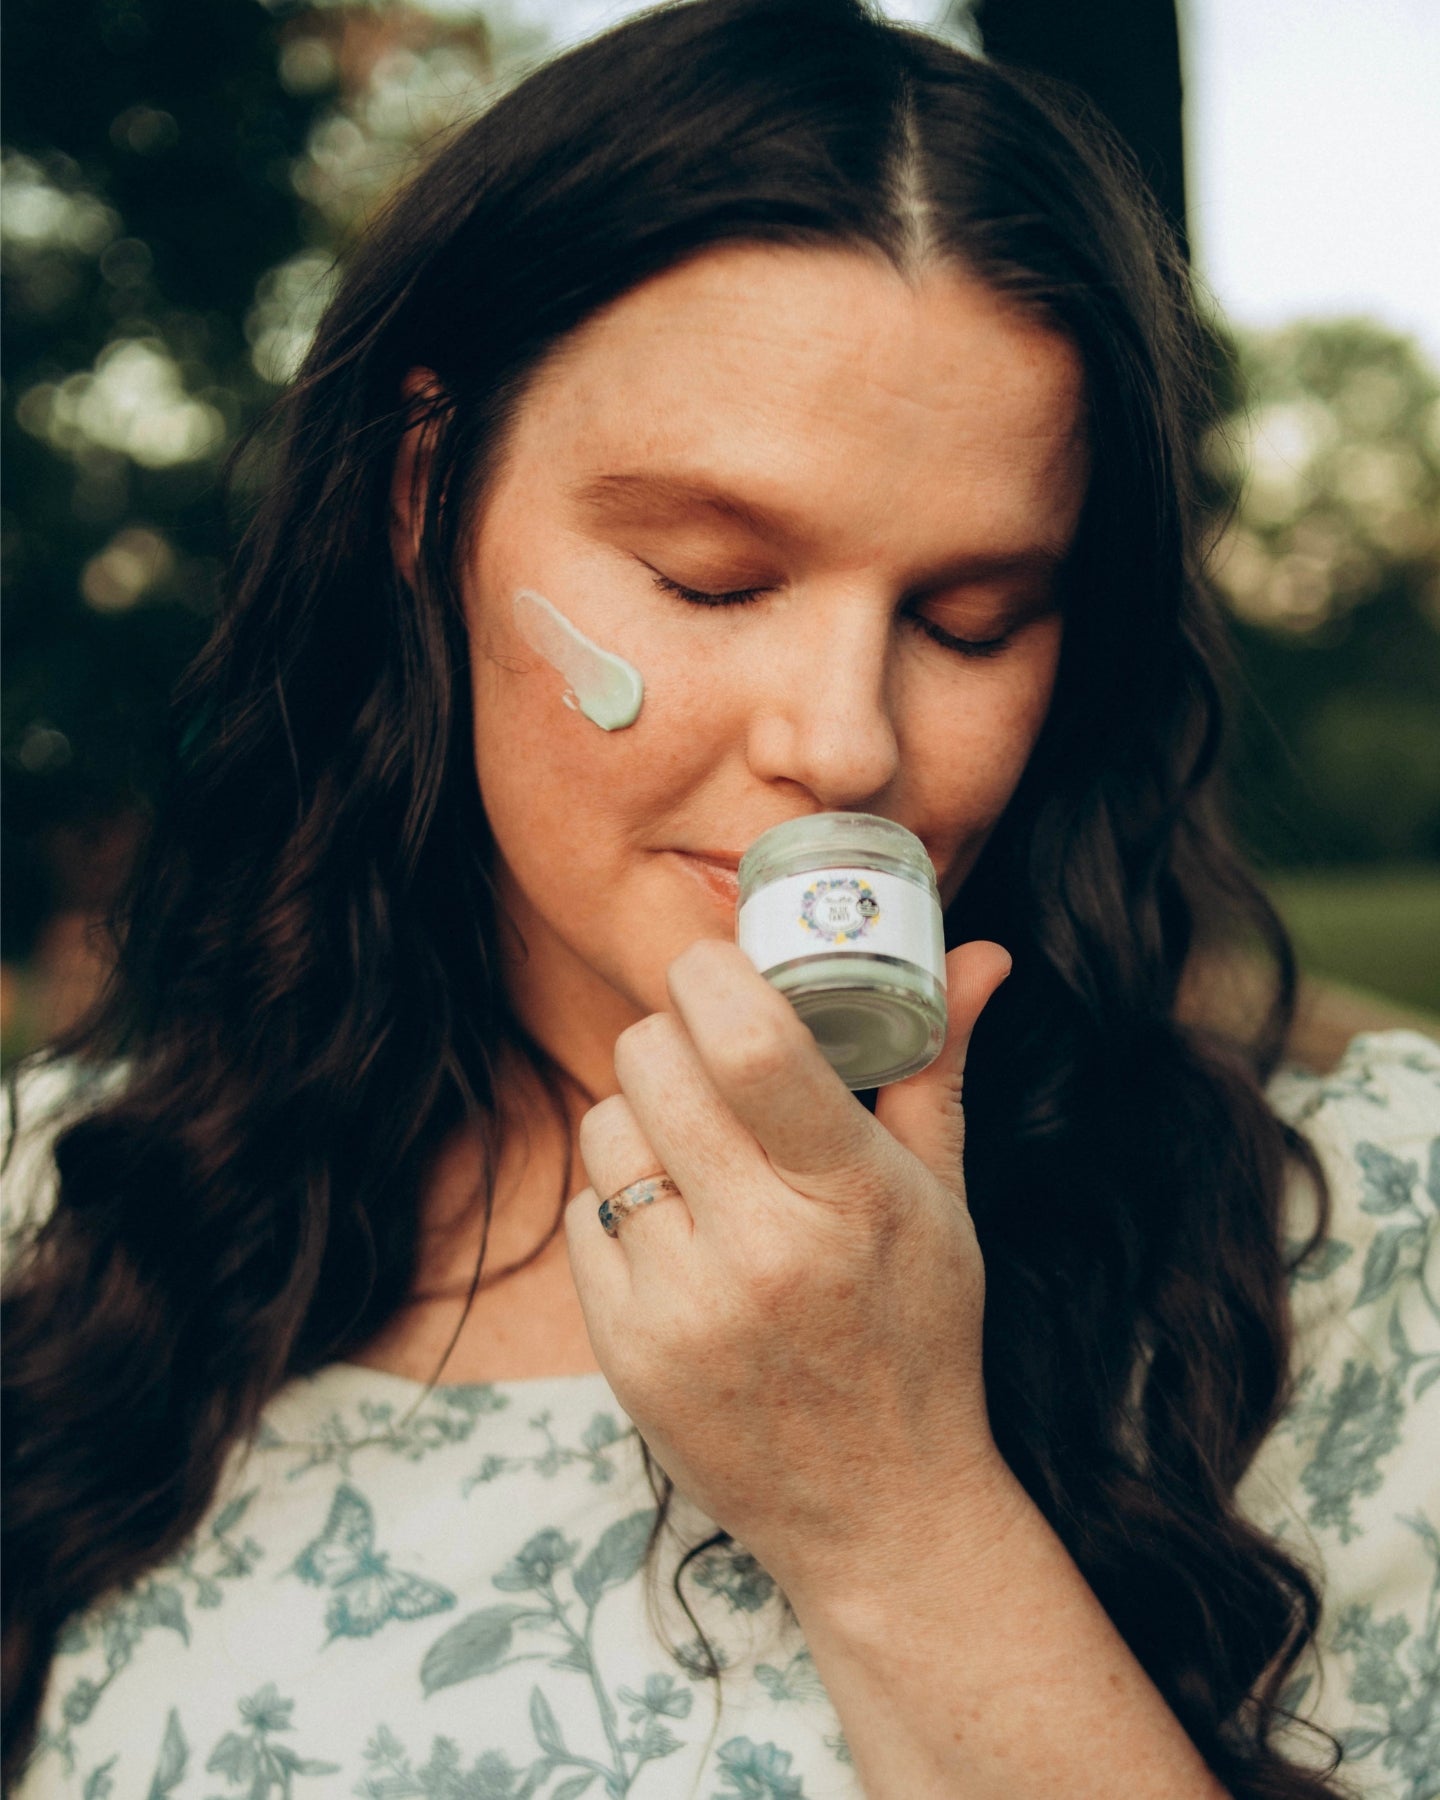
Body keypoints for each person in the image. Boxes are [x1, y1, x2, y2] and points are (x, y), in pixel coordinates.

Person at [3, 2, 1437, 1795]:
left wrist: (896, 1509)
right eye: (708, 578)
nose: (844, 744)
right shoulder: (65, 1218)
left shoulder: (1367, 1250)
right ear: (424, 496)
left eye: (971, 621)